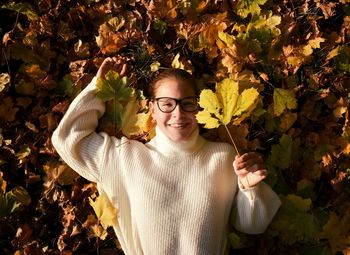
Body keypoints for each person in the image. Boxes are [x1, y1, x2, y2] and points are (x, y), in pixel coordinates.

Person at [52, 57, 281, 255]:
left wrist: (250, 189)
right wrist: (99, 88)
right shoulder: (125, 158)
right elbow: (67, 139)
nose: (178, 114)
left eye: (187, 104)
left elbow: (254, 225)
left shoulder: (222, 157)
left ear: (198, 107)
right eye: (167, 104)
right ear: (152, 108)